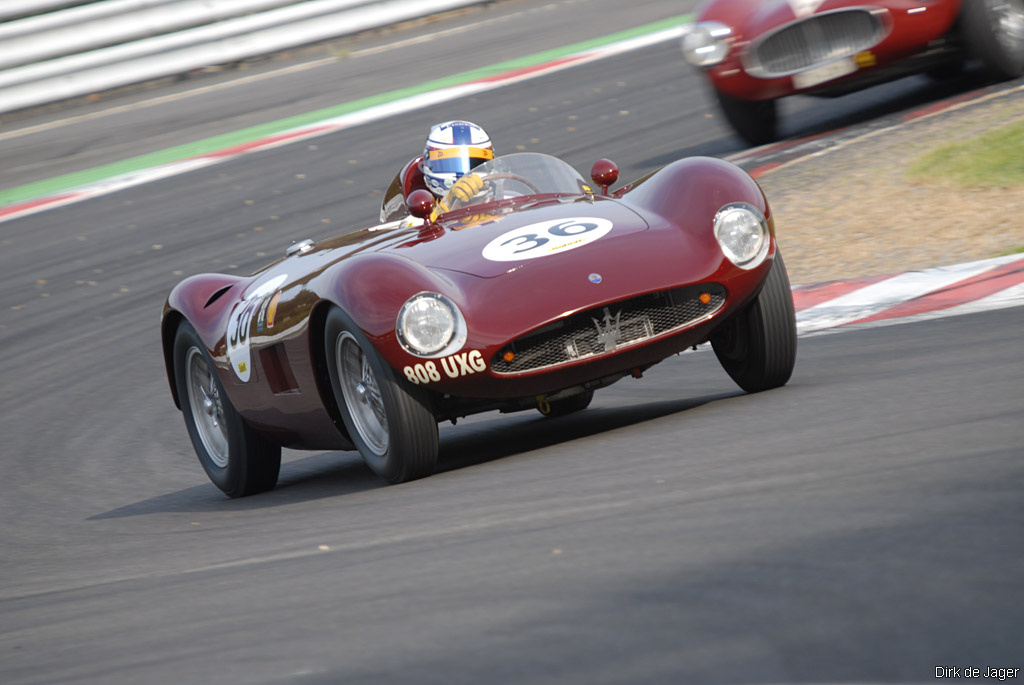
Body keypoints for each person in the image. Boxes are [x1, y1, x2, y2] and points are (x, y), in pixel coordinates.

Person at [380, 120, 494, 223]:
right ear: (428, 166)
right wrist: (447, 204)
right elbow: (408, 229)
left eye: (476, 163)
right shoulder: (416, 216)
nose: (466, 175)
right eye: (451, 164)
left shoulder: (502, 193)